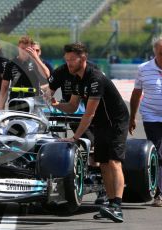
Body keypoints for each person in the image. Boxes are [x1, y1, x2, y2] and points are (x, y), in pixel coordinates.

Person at [51, 42, 129, 223]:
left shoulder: (95, 78)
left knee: (114, 161)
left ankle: (117, 207)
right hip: (101, 122)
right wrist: (56, 105)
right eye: (66, 60)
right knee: (102, 163)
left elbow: (89, 113)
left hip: (116, 121)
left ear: (83, 59)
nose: (68, 63)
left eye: (72, 60)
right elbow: (72, 106)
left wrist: (76, 136)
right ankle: (110, 204)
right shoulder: (76, 79)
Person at [129, 36, 162, 207]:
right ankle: (159, 194)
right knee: (158, 153)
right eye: (161, 53)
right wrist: (132, 117)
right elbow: (136, 94)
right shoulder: (144, 69)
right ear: (155, 52)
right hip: (152, 117)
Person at [0, 35, 50, 109]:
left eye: (27, 49)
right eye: (22, 48)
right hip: (15, 103)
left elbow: (46, 75)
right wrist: (1, 108)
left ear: (31, 48)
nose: (24, 51)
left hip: (32, 103)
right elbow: (4, 87)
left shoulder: (35, 62)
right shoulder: (11, 64)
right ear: (18, 47)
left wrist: (36, 57)